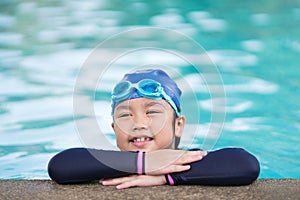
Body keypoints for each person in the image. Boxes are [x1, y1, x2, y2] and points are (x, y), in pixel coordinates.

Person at [48, 69, 260, 189]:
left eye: (152, 112)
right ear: (114, 128)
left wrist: (167, 176)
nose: (138, 124)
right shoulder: (102, 165)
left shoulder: (186, 159)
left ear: (178, 126)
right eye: (125, 115)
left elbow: (245, 164)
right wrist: (143, 163)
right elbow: (60, 166)